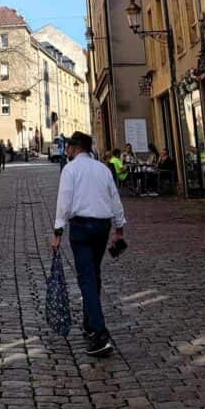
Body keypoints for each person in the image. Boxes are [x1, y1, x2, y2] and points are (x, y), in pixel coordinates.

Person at [52, 131, 126, 357]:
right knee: (93, 273)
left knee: (86, 278)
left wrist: (57, 231)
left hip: (81, 228)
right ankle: (88, 324)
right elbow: (115, 198)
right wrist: (119, 229)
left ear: (75, 148)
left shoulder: (71, 169)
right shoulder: (102, 169)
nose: (67, 150)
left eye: (69, 147)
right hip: (102, 227)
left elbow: (64, 200)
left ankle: (100, 334)